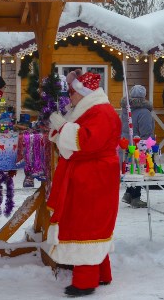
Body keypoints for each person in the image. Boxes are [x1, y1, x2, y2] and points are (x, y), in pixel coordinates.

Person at [45, 71, 121, 297]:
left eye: (72, 93)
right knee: (94, 224)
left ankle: (85, 282)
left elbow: (85, 141)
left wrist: (63, 127)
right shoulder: (92, 110)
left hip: (93, 178)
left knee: (86, 225)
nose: (70, 98)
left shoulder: (101, 113)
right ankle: (102, 273)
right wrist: (63, 127)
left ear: (83, 93)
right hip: (91, 175)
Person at [120, 84, 154, 208]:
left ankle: (128, 193)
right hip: (139, 144)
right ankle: (135, 197)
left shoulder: (126, 109)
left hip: (126, 144)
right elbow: (146, 131)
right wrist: (149, 145)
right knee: (140, 169)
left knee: (131, 170)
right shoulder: (144, 112)